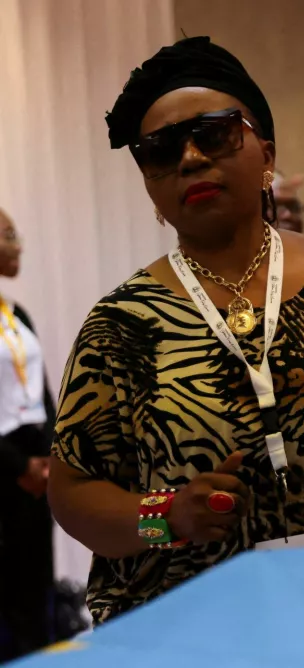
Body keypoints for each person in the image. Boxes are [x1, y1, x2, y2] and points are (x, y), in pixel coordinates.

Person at [47, 37, 304, 626]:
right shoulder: (120, 325)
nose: (191, 157)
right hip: (194, 632)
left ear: (265, 153)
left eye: (214, 133)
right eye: (161, 150)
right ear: (149, 186)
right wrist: (162, 515)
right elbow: (72, 492)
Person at [0, 209, 56, 661]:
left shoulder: (17, 315)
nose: (18, 244)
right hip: (4, 463)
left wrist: (52, 454)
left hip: (37, 459)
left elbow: (41, 391)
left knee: (37, 581)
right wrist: (18, 467)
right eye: (8, 235)